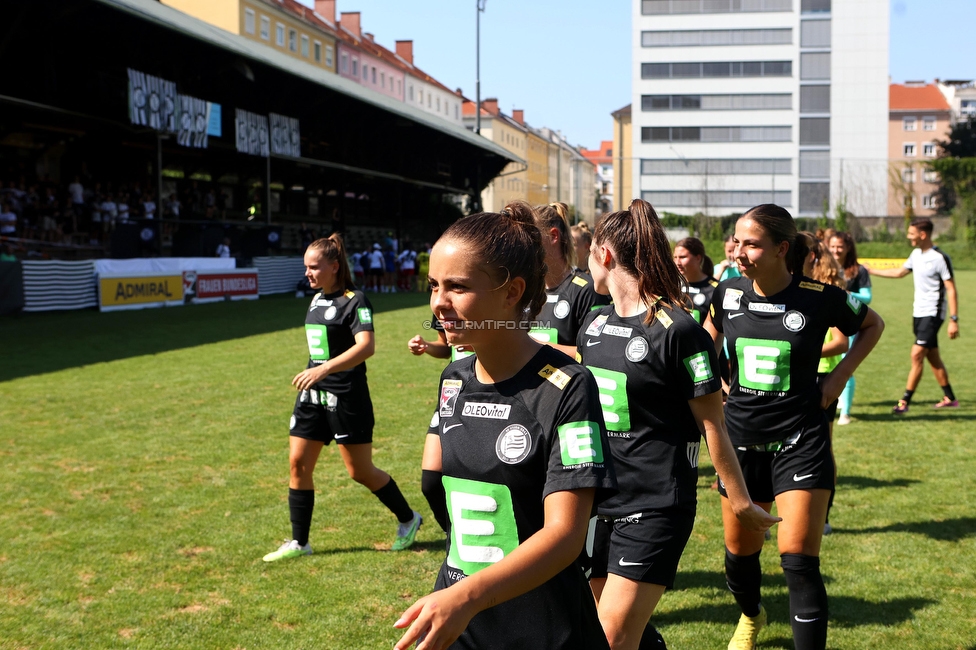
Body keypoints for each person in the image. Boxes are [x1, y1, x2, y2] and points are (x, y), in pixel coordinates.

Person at [395, 201, 617, 650]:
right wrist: (456, 596)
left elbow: (566, 537)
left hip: (542, 628)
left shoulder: (568, 388)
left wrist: (466, 596)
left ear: (512, 292)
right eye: (434, 285)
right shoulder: (453, 378)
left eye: (457, 287)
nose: (439, 302)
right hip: (461, 619)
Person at [581, 200, 778, 650]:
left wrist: (741, 500)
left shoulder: (678, 331)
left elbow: (713, 424)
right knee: (598, 628)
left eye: (590, 253)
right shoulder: (594, 322)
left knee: (610, 638)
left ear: (605, 255)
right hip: (597, 501)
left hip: (655, 504)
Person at [703, 204, 884, 650]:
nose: (739, 251)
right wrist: (715, 383)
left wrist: (838, 377)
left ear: (782, 248)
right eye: (737, 241)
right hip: (740, 442)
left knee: (799, 562)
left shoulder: (818, 296)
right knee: (739, 559)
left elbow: (873, 324)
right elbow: (707, 337)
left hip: (801, 439)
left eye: (751, 244)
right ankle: (751, 615)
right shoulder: (726, 294)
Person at [263, 234, 422, 562]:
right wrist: (315, 374)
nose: (307, 273)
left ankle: (409, 519)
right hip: (312, 397)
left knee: (360, 472)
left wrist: (323, 371)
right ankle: (299, 542)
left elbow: (366, 346)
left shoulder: (355, 300)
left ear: (334, 267)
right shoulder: (316, 299)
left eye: (314, 267)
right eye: (305, 267)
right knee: (298, 464)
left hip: (347, 397)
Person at [866, 218, 958, 413]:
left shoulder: (940, 257)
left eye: (911, 233)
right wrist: (871, 271)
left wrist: (953, 319)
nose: (908, 236)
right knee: (932, 356)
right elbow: (900, 273)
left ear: (922, 234)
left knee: (917, 354)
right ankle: (949, 397)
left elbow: (951, 288)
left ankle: (905, 401)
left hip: (933, 313)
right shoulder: (916, 254)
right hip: (918, 313)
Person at [800, 233, 850, 536]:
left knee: (822, 448)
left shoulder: (824, 293)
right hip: (789, 376)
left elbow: (841, 343)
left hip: (819, 378)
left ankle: (823, 517)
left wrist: (801, 349)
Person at [530, 202, 610, 358]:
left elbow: (596, 352)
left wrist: (532, 346)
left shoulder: (587, 290)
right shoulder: (527, 289)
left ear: (553, 236)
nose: (523, 243)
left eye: (530, 235)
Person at [828, 232, 872, 425]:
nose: (836, 250)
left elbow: (867, 297)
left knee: (845, 365)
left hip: (847, 324)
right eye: (833, 246)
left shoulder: (858, 271)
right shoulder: (822, 267)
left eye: (840, 246)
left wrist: (843, 294)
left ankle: (845, 412)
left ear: (848, 248)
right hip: (824, 323)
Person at [673, 237, 718, 325]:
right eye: (675, 257)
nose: (677, 262)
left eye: (682, 257)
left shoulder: (716, 289)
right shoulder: (672, 286)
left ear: (698, 258)